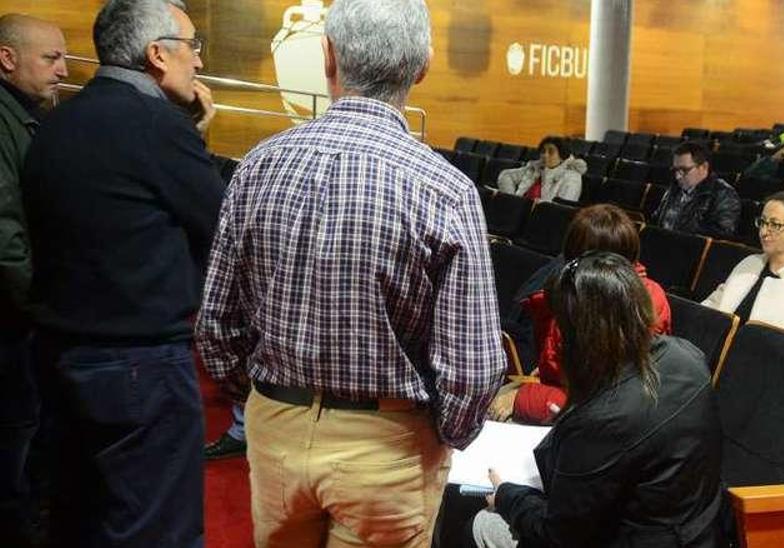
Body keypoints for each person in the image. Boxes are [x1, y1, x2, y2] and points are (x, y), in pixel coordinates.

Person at [195, 1, 505, 546]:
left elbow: (217, 325)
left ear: (328, 56)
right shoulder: (448, 190)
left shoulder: (258, 164)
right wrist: (439, 435)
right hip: (388, 443)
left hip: (276, 426)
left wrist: (267, 399)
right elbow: (473, 368)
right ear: (425, 66)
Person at [21, 1, 222, 545]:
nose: (199, 62)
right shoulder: (158, 126)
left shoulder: (57, 121)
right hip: (140, 365)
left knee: (76, 519)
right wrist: (194, 137)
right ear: (158, 54)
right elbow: (218, 224)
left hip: (57, 356)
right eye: (193, 45)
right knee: (158, 528)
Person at [472, 251, 724, 548]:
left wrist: (506, 496)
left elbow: (558, 535)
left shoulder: (601, 419)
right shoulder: (688, 355)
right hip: (701, 533)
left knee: (484, 523)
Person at [489, 204, 672, 426]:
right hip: (560, 400)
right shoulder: (579, 293)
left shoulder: (625, 305)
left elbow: (601, 402)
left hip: (594, 424)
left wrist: (522, 399)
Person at [0, 14, 65, 546]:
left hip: (23, 313)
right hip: (12, 318)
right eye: (51, 59)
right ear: (7, 58)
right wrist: (36, 307)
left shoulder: (28, 115)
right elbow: (5, 235)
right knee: (17, 428)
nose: (64, 70)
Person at [703, 190, 784, 339]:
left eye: (775, 225)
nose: (764, 232)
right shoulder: (749, 263)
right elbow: (710, 308)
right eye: (763, 222)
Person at [652, 141, 741, 238]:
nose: (678, 176)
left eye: (684, 170)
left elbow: (721, 236)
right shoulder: (674, 188)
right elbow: (656, 220)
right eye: (675, 170)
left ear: (704, 167)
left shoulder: (724, 194)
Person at [496, 135, 585, 203]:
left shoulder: (572, 177)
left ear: (562, 156)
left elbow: (560, 207)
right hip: (519, 212)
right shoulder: (536, 168)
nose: (545, 155)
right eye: (543, 151)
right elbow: (506, 175)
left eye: (551, 152)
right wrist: (512, 200)